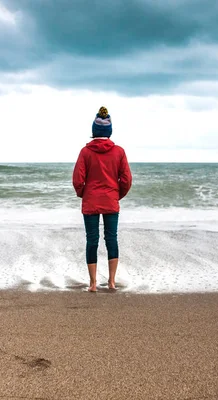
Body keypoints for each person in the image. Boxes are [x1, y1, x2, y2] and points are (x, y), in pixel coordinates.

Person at [72, 106, 132, 292]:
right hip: (110, 201)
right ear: (109, 131)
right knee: (111, 239)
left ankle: (93, 284)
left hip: (90, 201)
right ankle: (112, 282)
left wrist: (84, 193)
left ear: (94, 130)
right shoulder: (119, 152)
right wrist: (116, 194)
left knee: (92, 240)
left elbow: (77, 179)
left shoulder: (85, 152)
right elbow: (127, 180)